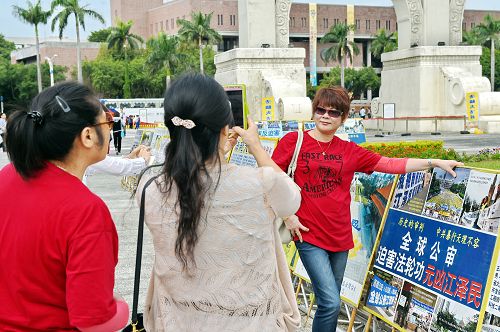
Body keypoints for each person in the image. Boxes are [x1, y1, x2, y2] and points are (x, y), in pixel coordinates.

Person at [271, 86, 463, 332]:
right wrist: (288, 216)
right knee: (331, 301)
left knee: (328, 302)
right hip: (307, 233)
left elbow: (390, 164)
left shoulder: (349, 150)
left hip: (340, 237)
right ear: (313, 111)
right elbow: (271, 177)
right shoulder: (294, 141)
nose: (325, 116)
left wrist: (433, 162)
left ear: (343, 118)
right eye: (321, 109)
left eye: (333, 112)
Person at [136, 74, 301, 331]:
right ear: (225, 130)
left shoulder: (150, 188)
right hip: (252, 323)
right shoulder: (261, 183)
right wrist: (255, 146)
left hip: (177, 322)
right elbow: (292, 200)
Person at [0, 81, 129, 331]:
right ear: (88, 136)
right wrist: (121, 309)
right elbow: (94, 321)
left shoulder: (7, 176)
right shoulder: (85, 211)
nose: (110, 129)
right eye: (107, 122)